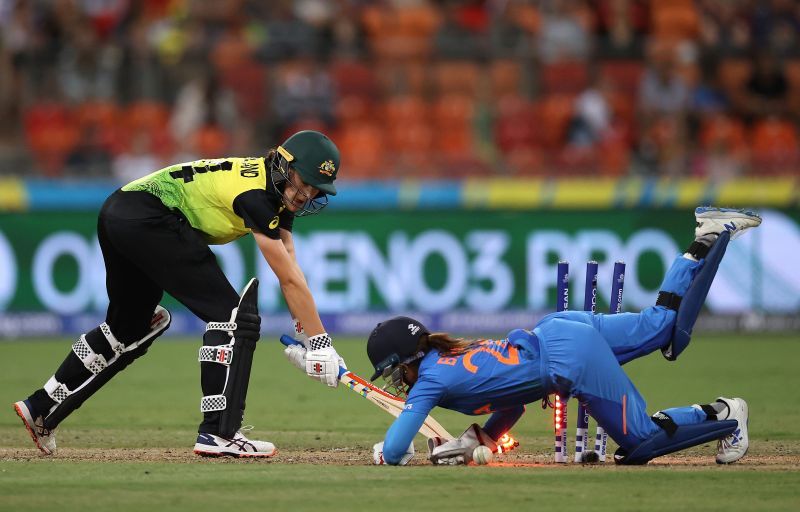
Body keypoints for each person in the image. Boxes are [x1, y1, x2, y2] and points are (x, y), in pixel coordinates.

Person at [14, 130, 347, 458]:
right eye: (304, 182)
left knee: (132, 327)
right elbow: (286, 277)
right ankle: (219, 433)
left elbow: (291, 261)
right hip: (152, 217)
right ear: (285, 165)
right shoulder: (256, 195)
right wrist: (322, 345)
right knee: (233, 317)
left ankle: (40, 407)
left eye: (316, 190)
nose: (306, 195)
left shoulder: (275, 189)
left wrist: (306, 334)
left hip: (119, 211)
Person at [367, 207, 762, 466]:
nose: (397, 381)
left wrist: (388, 454)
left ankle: (726, 415)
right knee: (662, 327)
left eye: (395, 371)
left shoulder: (431, 380)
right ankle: (704, 238)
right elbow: (514, 403)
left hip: (567, 360)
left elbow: (398, 445)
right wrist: (482, 437)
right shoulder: (446, 355)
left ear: (408, 359)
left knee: (641, 443)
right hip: (558, 330)